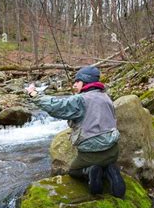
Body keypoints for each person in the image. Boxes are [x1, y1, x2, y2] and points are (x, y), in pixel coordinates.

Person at [26, 66, 126, 198]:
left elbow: (56, 106)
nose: (74, 84)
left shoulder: (79, 100)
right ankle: (111, 171)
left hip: (90, 153)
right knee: (106, 161)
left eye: (77, 81)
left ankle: (90, 171)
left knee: (74, 170)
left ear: (84, 81)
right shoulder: (106, 97)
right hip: (113, 151)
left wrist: (34, 94)